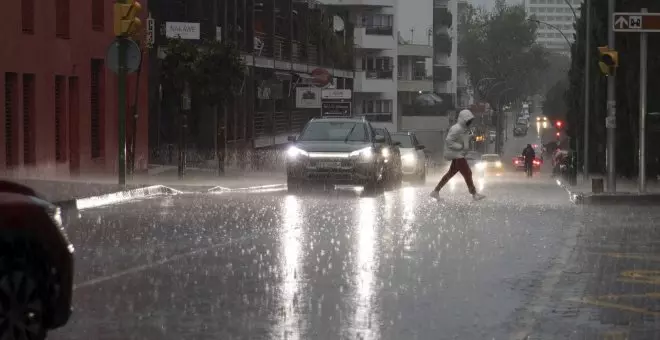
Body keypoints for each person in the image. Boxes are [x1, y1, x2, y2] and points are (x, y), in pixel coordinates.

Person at [430, 109, 486, 201]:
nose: (469, 122)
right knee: (468, 173)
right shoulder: (457, 128)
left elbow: (462, 139)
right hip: (456, 154)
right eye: (468, 120)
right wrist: (459, 146)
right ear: (463, 120)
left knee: (450, 174)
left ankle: (435, 191)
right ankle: (474, 194)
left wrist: (469, 138)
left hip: (458, 154)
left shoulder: (463, 129)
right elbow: (449, 140)